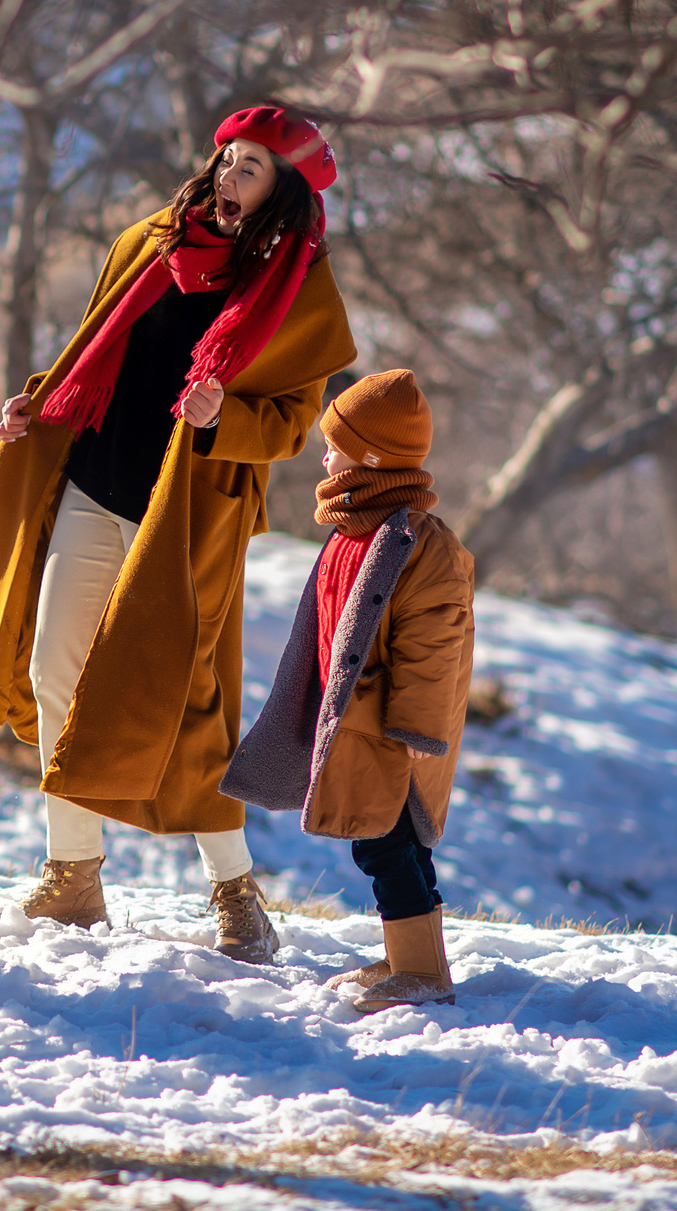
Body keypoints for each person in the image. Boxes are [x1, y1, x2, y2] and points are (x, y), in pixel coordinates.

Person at [0, 105, 356, 963]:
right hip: (94, 483)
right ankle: (73, 874)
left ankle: (233, 890)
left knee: (189, 701)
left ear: (285, 189)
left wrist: (227, 417)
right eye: (226, 159)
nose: (227, 177)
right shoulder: (155, 239)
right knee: (52, 667)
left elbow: (292, 424)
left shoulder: (302, 291)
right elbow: (96, 345)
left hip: (188, 516)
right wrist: (42, 398)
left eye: (251, 167)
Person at [220, 369, 476, 1011]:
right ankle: (410, 958)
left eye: (336, 441)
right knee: (390, 842)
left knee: (385, 844)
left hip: (388, 726)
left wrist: (416, 731)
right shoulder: (355, 528)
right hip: (354, 717)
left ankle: (421, 971)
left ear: (371, 457)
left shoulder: (417, 543)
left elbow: (433, 646)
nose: (323, 450)